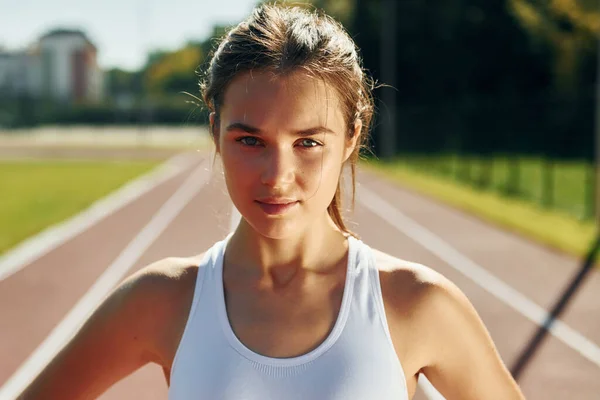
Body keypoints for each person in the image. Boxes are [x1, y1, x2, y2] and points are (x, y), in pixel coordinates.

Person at [19, 4, 525, 400]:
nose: (278, 176)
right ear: (215, 130)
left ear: (351, 137)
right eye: (250, 141)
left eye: (308, 143)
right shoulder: (160, 300)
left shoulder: (419, 304)